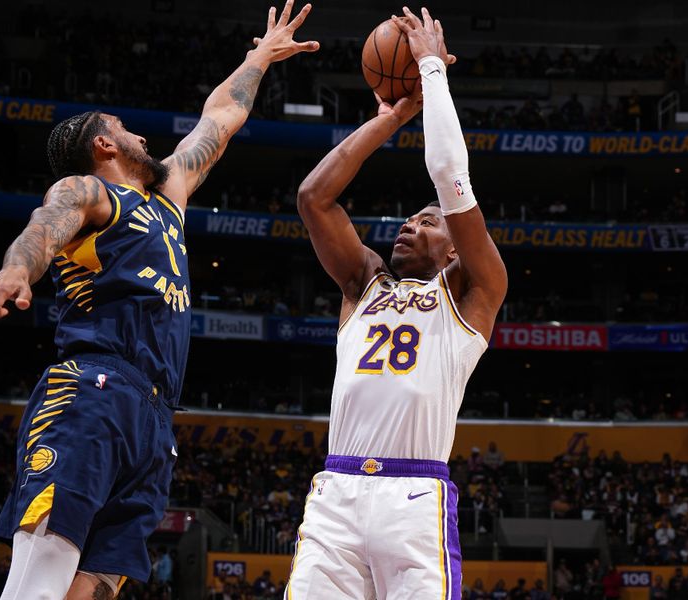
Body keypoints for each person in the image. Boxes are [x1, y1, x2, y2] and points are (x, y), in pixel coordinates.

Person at [0, 3, 317, 598]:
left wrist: (259, 57)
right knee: (44, 566)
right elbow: (45, 224)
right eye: (125, 127)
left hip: (156, 414)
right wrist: (17, 269)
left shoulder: (169, 194)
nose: (143, 135)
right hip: (93, 389)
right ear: (105, 145)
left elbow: (220, 118)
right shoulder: (87, 190)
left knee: (99, 581)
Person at [285, 7, 507, 599]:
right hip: (336, 492)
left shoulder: (471, 291)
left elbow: (447, 174)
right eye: (409, 218)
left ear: (456, 248)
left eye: (429, 221)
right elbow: (314, 198)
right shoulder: (364, 284)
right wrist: (390, 117)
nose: (411, 224)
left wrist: (430, 70)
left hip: (414, 498)